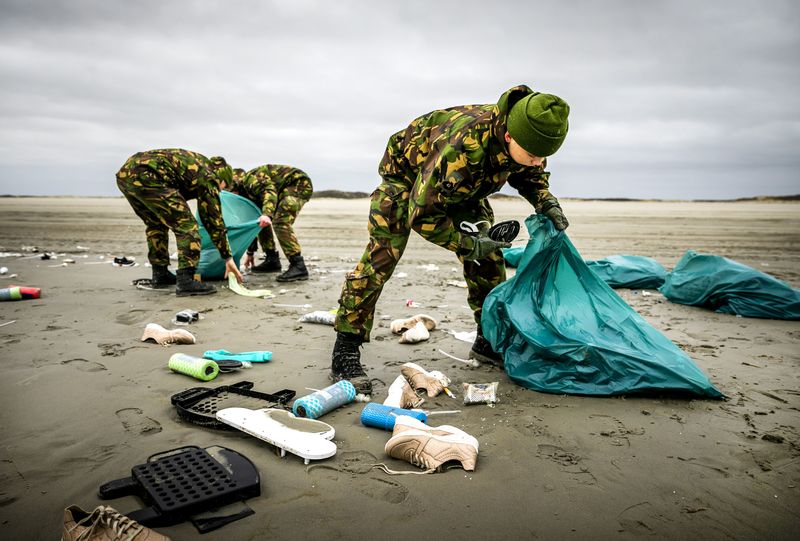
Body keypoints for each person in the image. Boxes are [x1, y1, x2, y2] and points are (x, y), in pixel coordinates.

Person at [330, 85, 571, 393]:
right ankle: (345, 348)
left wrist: (545, 202)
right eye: (534, 155)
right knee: (381, 259)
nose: (538, 161)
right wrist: (468, 244)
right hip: (406, 180)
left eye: (544, 156)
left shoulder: (529, 135)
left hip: (463, 189)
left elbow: (529, 174)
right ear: (510, 136)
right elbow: (423, 215)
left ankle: (487, 340)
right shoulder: (463, 149)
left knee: (489, 257)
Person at [116, 148, 243, 296]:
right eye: (224, 187)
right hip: (150, 175)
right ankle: (186, 281)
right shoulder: (210, 176)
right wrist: (228, 257)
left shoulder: (200, 164)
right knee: (187, 226)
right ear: (223, 179)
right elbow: (213, 219)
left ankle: (160, 274)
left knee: (156, 224)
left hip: (126, 175)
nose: (221, 191)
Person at [224, 164, 313, 282]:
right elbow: (252, 223)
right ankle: (272, 259)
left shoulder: (250, 181)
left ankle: (298, 265)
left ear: (235, 186)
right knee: (261, 221)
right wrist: (250, 252)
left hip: (298, 183)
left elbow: (270, 191)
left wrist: (267, 214)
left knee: (280, 222)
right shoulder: (245, 195)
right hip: (281, 190)